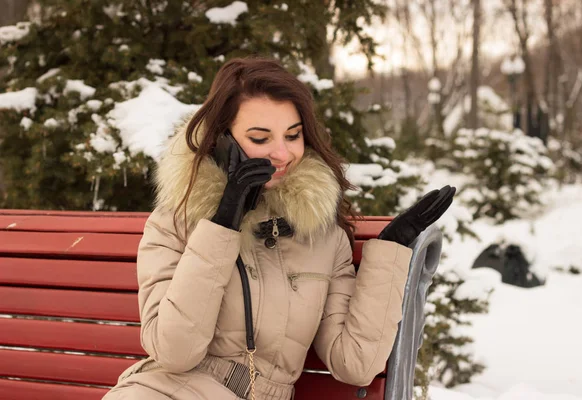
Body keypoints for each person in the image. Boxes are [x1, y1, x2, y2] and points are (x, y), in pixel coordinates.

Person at [103, 57, 455, 400]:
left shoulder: (322, 235)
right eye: (260, 138)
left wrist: (393, 248)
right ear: (222, 141)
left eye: (292, 135)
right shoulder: (175, 223)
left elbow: (356, 364)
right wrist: (223, 222)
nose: (282, 153)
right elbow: (175, 352)